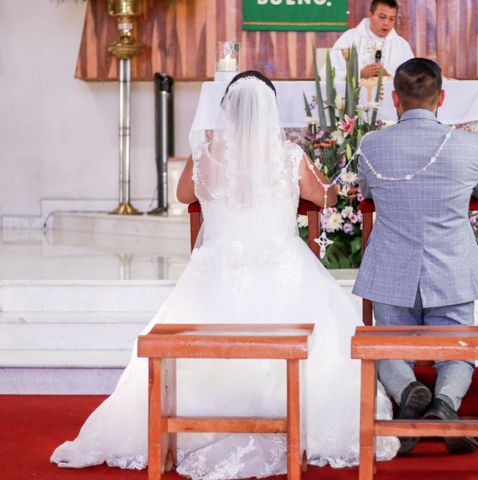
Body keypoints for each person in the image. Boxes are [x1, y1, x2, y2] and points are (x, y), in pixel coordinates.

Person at [51, 71, 399, 479]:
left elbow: (184, 196)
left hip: (215, 271)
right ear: (269, 111)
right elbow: (326, 196)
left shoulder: (206, 154)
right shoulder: (288, 156)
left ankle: (189, 424)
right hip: (282, 269)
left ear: (227, 109)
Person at [353, 58, 478, 455]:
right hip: (451, 265)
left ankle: (409, 391)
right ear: (442, 99)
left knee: (385, 346)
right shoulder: (466, 146)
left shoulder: (372, 144)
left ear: (394, 99)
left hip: (390, 266)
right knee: (458, 348)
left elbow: (365, 193)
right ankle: (444, 405)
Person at [328, 0, 413, 80]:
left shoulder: (402, 45)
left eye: (391, 19)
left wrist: (387, 76)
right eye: (382, 17)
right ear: (370, 15)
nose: (386, 23)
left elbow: (411, 80)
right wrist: (359, 74)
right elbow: (328, 74)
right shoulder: (349, 38)